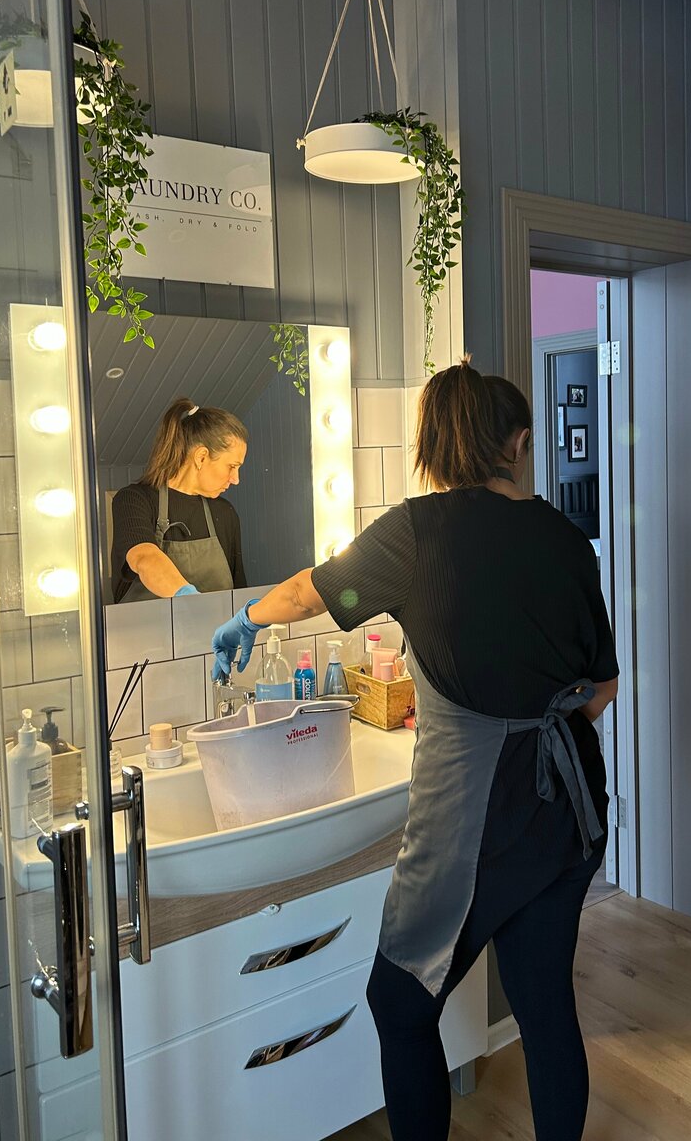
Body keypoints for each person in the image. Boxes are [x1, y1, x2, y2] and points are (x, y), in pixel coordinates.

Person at [210, 358, 618, 1141]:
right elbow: (602, 687)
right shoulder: (569, 540)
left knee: (399, 1004)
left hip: (473, 813)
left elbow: (317, 590)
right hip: (567, 811)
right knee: (544, 1006)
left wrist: (249, 618)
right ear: (516, 444)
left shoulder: (417, 533)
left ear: (431, 444)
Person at [111, 398, 248, 602]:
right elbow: (144, 557)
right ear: (201, 457)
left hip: (214, 625)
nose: (236, 479)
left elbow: (237, 591)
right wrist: (191, 601)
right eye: (232, 466)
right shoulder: (134, 500)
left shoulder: (225, 513)